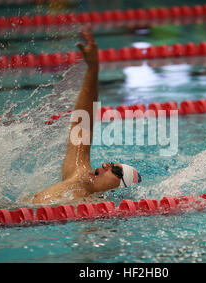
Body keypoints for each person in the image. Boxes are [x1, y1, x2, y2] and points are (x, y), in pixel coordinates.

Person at [29, 26, 141, 205]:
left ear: (118, 189)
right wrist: (93, 68)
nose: (105, 165)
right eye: (111, 163)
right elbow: (82, 124)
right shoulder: (78, 173)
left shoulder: (88, 207)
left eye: (115, 171)